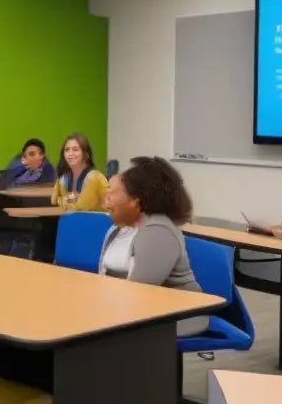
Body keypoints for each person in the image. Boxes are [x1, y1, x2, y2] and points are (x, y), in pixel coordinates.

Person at [100, 156, 206, 336]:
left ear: (135, 200)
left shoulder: (159, 231)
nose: (106, 198)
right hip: (132, 312)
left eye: (112, 191)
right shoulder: (117, 229)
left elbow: (138, 294)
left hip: (175, 314)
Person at [51, 133, 108, 211]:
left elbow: (80, 208)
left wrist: (60, 200)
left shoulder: (94, 177)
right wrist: (68, 200)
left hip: (100, 221)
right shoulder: (63, 180)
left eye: (75, 149)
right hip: (75, 221)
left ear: (86, 153)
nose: (70, 154)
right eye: (67, 150)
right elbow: (53, 200)